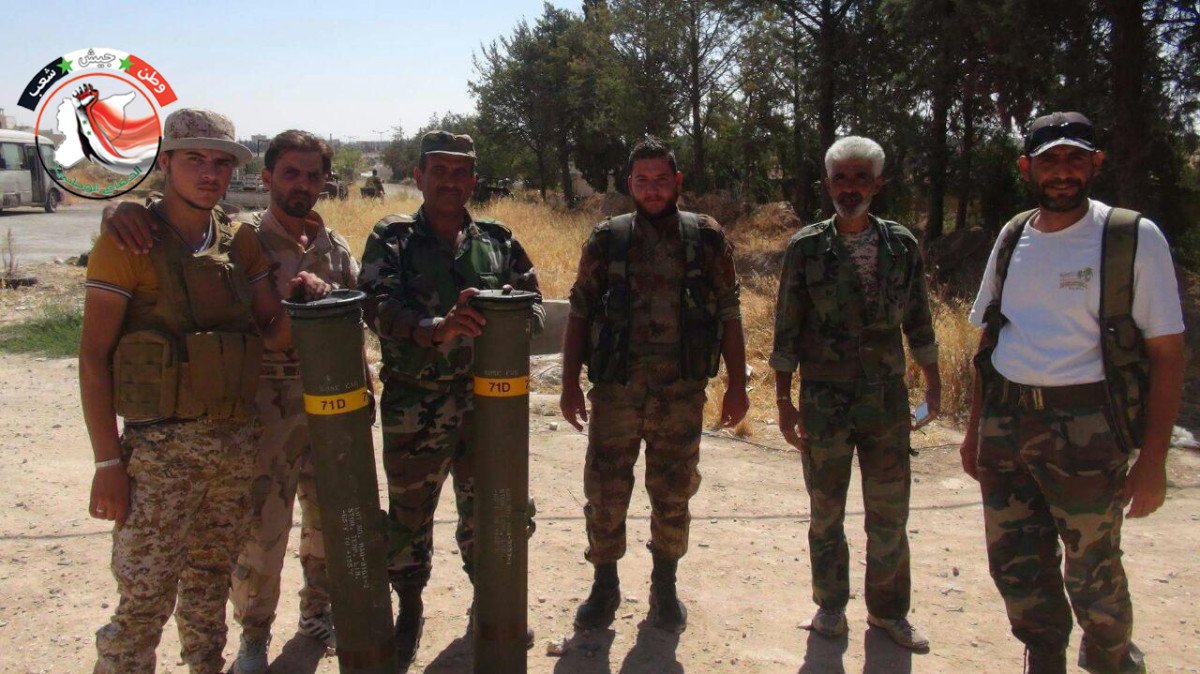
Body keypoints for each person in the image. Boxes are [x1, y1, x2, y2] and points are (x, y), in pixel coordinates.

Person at [100, 129, 359, 673]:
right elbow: (95, 352)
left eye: (313, 175)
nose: (302, 184)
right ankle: (254, 635)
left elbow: (340, 328)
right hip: (258, 414)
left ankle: (316, 615)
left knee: (322, 528)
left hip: (319, 414)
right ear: (266, 178)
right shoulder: (245, 238)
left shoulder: (323, 247)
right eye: (290, 173)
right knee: (257, 536)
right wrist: (121, 208)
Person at [960, 112, 1185, 674]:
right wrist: (974, 431)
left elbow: (1167, 353)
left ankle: (1110, 657)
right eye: (1050, 160)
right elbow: (990, 338)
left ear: (1095, 164)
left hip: (1087, 429)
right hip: (1007, 424)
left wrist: (1153, 461)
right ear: (1027, 168)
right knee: (1015, 560)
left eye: (1075, 158)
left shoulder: (1130, 237)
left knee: (1093, 568)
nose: (1063, 171)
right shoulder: (1014, 235)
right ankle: (1044, 653)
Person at [357, 130, 545, 666]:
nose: (449, 181)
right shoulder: (392, 238)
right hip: (416, 404)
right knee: (409, 515)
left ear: (473, 181)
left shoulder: (498, 240)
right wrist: (434, 328)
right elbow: (375, 305)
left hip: (490, 409)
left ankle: (490, 602)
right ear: (419, 177)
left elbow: (533, 305)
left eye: (460, 172)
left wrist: (504, 315)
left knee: (493, 509)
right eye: (438, 170)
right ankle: (410, 606)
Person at [561, 136, 749, 635]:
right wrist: (569, 383)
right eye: (642, 181)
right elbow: (580, 309)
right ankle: (604, 585)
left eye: (661, 180)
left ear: (678, 182)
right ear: (629, 184)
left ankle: (664, 586)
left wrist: (737, 384)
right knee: (605, 491)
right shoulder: (608, 238)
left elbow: (729, 310)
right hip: (616, 392)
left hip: (680, 393)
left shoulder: (705, 237)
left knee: (673, 492)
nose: (652, 189)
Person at [769, 136, 940, 651]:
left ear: (878, 184)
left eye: (860, 178)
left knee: (890, 514)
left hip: (885, 402)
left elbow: (919, 318)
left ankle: (889, 612)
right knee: (826, 512)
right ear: (827, 185)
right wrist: (783, 401)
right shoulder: (805, 248)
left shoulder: (901, 245)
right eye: (841, 178)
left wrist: (933, 383)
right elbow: (786, 328)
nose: (850, 188)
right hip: (824, 401)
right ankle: (830, 606)